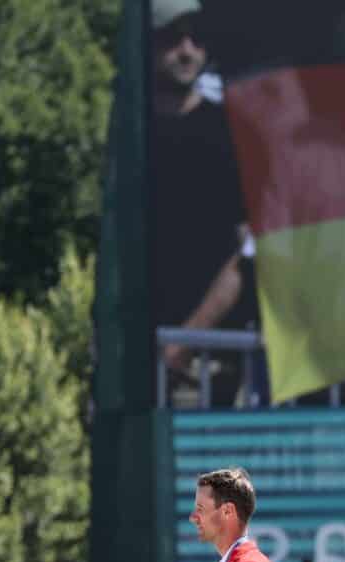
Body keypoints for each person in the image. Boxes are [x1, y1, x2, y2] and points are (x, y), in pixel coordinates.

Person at [152, 0, 258, 403]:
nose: (187, 50)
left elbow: (248, 251)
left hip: (210, 362)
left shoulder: (230, 133)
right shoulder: (130, 135)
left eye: (197, 37)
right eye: (172, 37)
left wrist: (184, 343)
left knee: (217, 467)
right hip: (132, 362)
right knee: (144, 468)